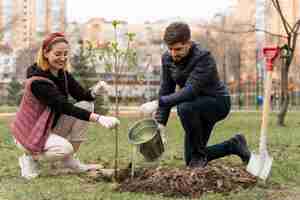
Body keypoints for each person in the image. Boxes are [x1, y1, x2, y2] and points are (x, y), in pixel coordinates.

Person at [11, 32, 120, 179]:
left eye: (65, 54)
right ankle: (29, 158)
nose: (62, 58)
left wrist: (95, 90)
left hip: (47, 126)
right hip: (30, 132)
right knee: (64, 148)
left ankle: (68, 161)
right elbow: (64, 106)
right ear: (45, 53)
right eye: (57, 54)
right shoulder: (38, 81)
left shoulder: (62, 74)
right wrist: (99, 118)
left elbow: (82, 96)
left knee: (86, 105)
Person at [140, 22, 250, 168]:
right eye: (170, 49)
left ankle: (200, 153)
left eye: (178, 49)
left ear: (189, 43)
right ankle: (234, 145)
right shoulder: (167, 58)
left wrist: (158, 103)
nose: (173, 53)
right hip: (193, 107)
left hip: (216, 103)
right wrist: (160, 123)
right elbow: (166, 88)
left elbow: (190, 90)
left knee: (184, 107)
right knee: (191, 160)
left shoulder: (203, 58)